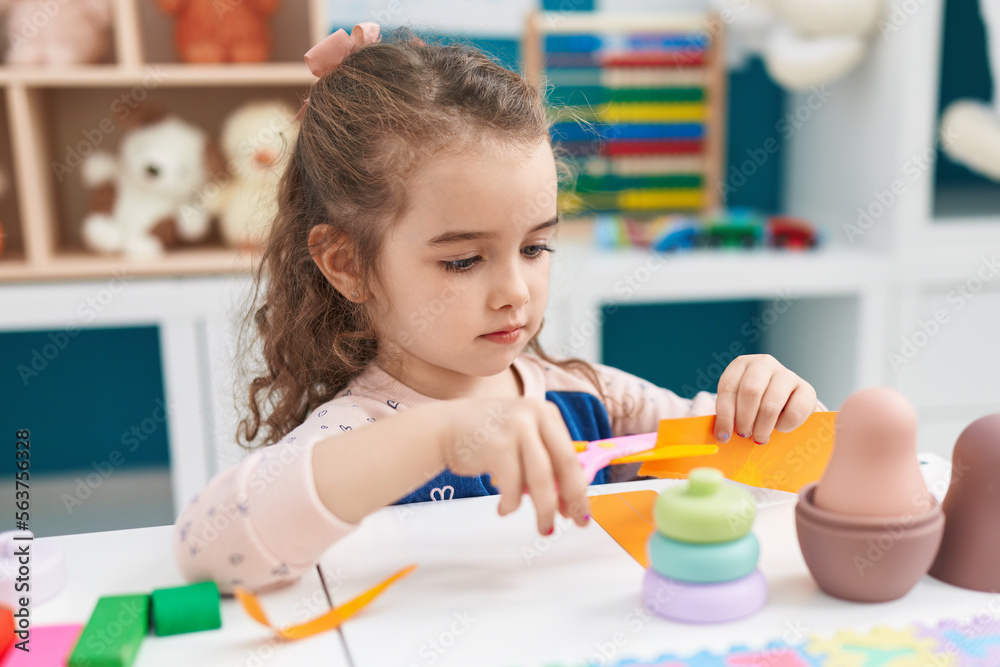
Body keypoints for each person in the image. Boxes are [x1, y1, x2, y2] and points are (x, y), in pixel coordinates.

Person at [174, 23, 823, 593]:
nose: (516, 289)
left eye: (536, 245)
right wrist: (445, 435)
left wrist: (777, 408)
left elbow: (771, 474)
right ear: (347, 264)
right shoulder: (358, 433)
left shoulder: (591, 400)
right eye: (463, 260)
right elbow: (208, 552)